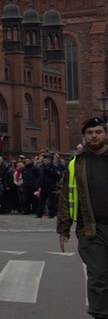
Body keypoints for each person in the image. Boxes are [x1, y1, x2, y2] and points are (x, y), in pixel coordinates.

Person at [58, 117, 108, 319]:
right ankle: (100, 314)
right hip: (91, 228)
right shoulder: (76, 164)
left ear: (105, 134)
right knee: (98, 276)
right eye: (90, 133)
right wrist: (63, 229)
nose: (94, 136)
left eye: (98, 132)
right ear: (85, 136)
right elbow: (65, 198)